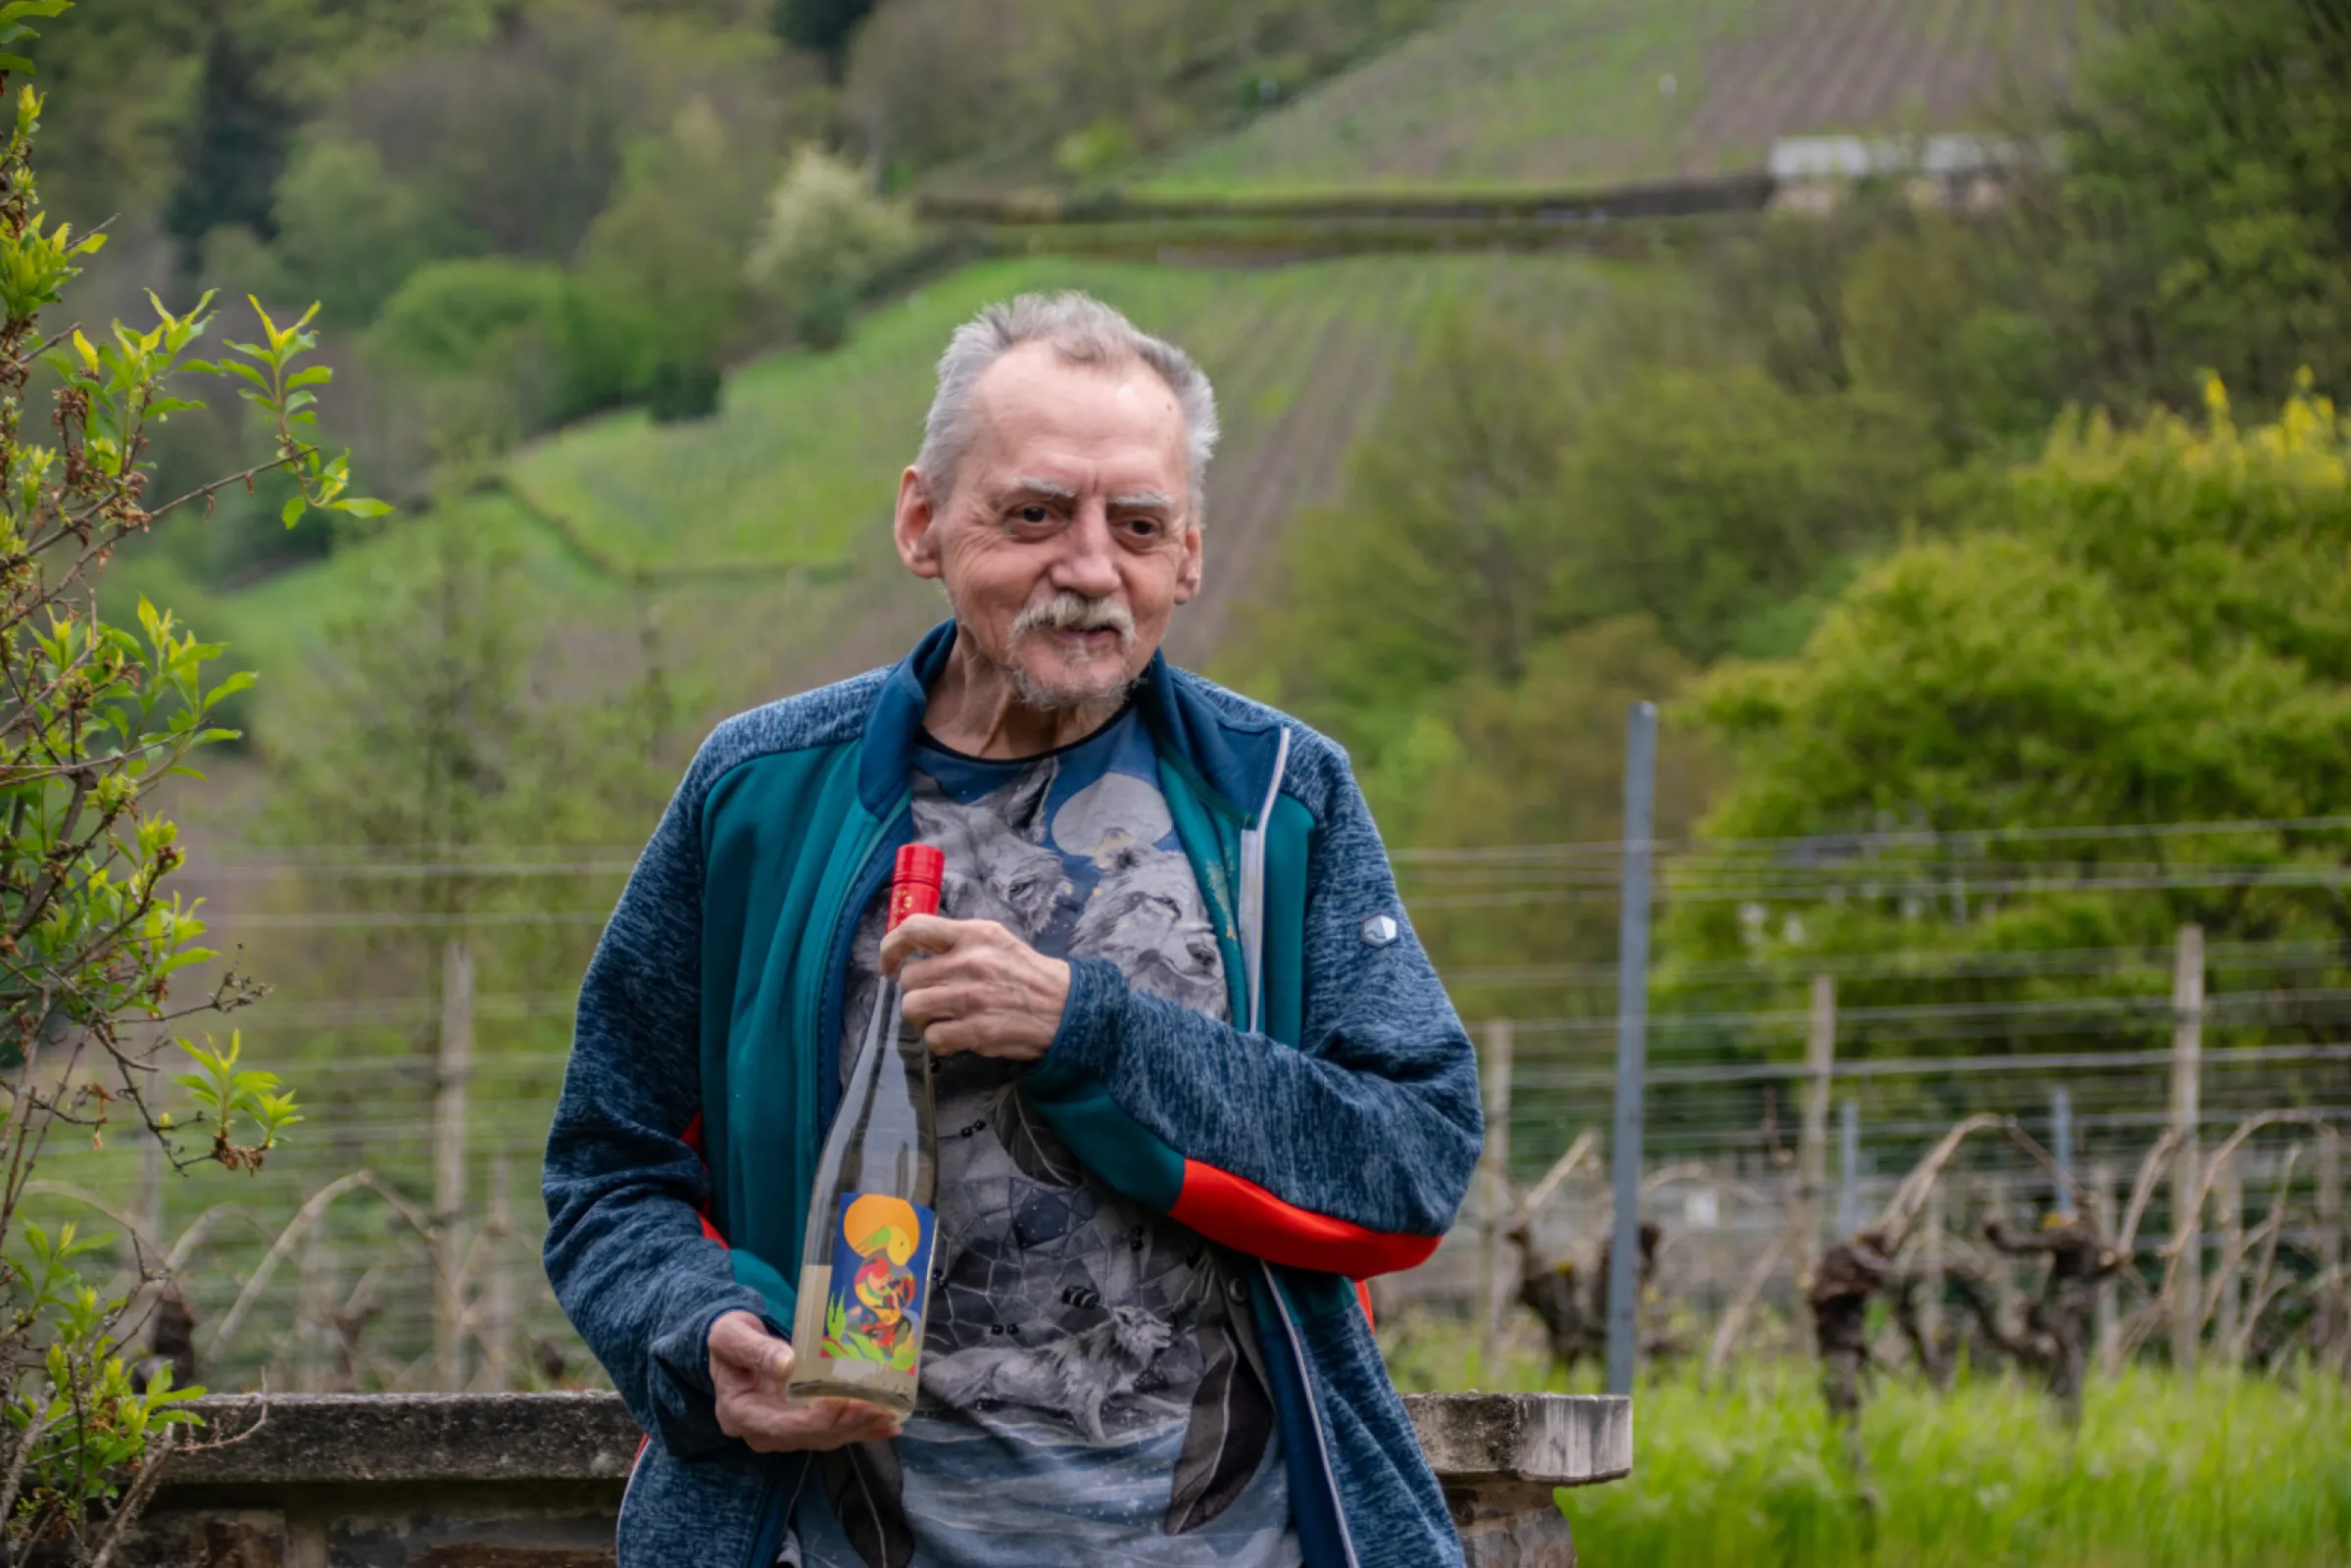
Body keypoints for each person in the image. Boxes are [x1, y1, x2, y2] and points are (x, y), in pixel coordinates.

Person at [544, 292, 1483, 1568]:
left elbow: (1408, 1165)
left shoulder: (1281, 799)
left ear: (1187, 557)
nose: (1090, 567)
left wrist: (1085, 1033)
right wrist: (695, 1329)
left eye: (1136, 527)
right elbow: (611, 1169)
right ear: (922, 522)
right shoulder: (756, 793)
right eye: (1034, 514)